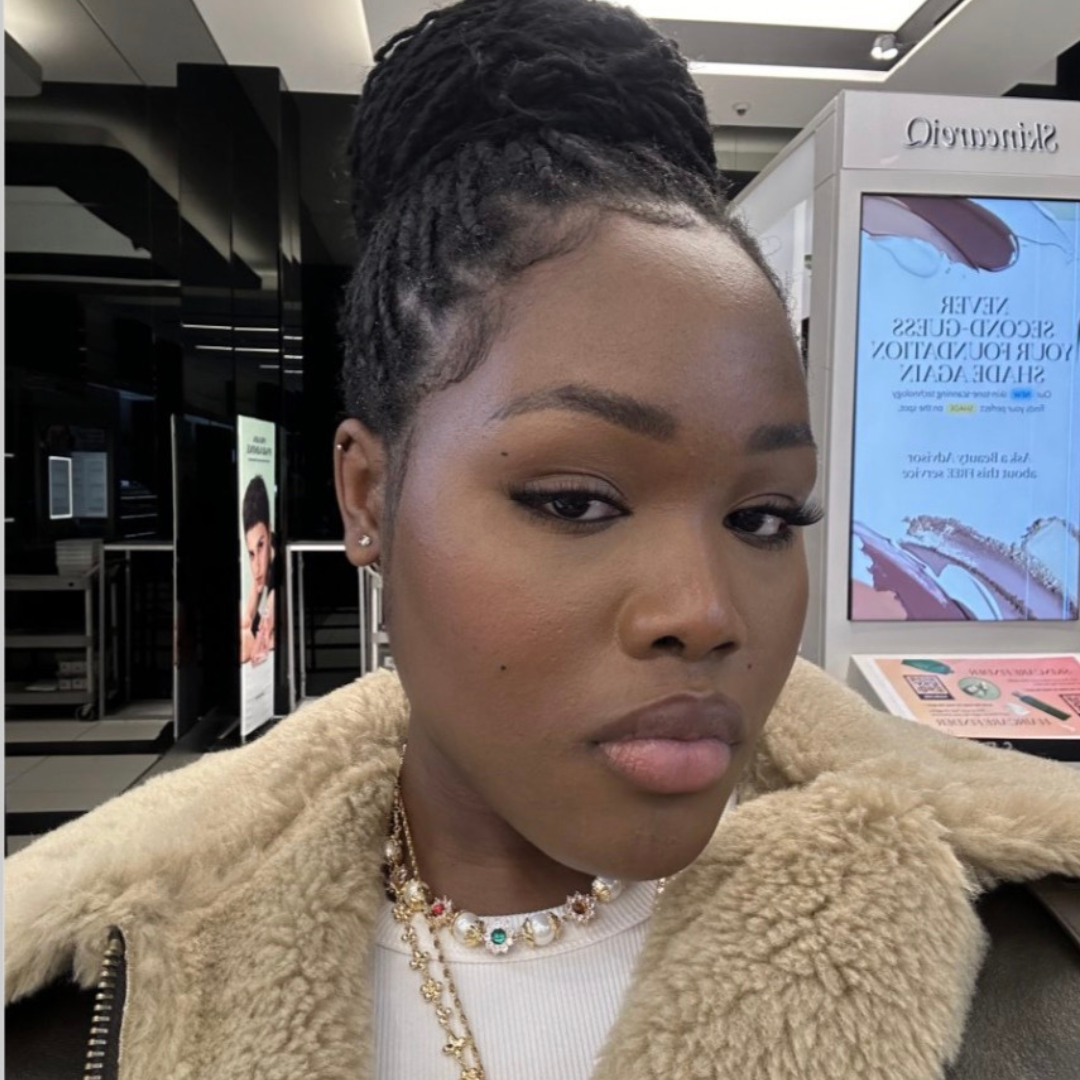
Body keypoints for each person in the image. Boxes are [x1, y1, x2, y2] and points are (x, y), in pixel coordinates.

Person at [6, 2, 1079, 1078]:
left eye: (762, 518)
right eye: (575, 501)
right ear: (367, 494)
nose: (705, 612)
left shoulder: (1035, 972)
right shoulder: (83, 992)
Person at [240, 474, 275, 664]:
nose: (257, 567)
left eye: (261, 545)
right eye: (251, 553)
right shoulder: (261, 568)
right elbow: (246, 620)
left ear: (270, 532)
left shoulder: (278, 563)